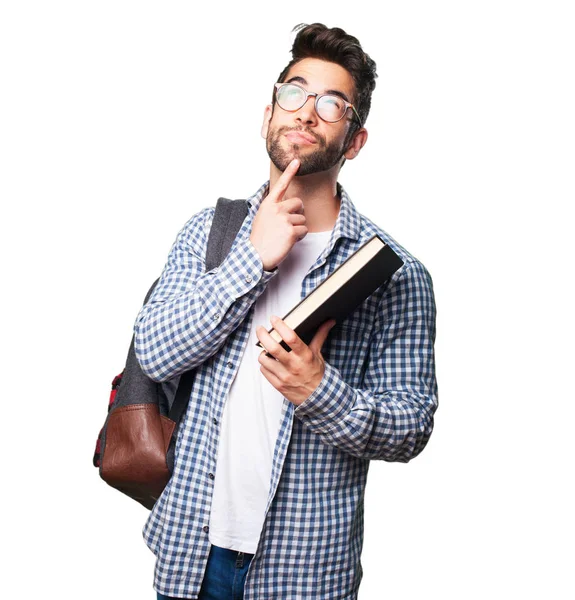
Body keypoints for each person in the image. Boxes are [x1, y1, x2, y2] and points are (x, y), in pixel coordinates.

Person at [134, 22, 438, 600]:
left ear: (354, 141)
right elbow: (155, 352)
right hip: (188, 554)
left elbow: (410, 426)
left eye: (331, 103)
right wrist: (251, 259)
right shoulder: (210, 234)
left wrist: (319, 390)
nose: (306, 112)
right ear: (269, 112)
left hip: (303, 573)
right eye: (294, 93)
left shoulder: (396, 277)